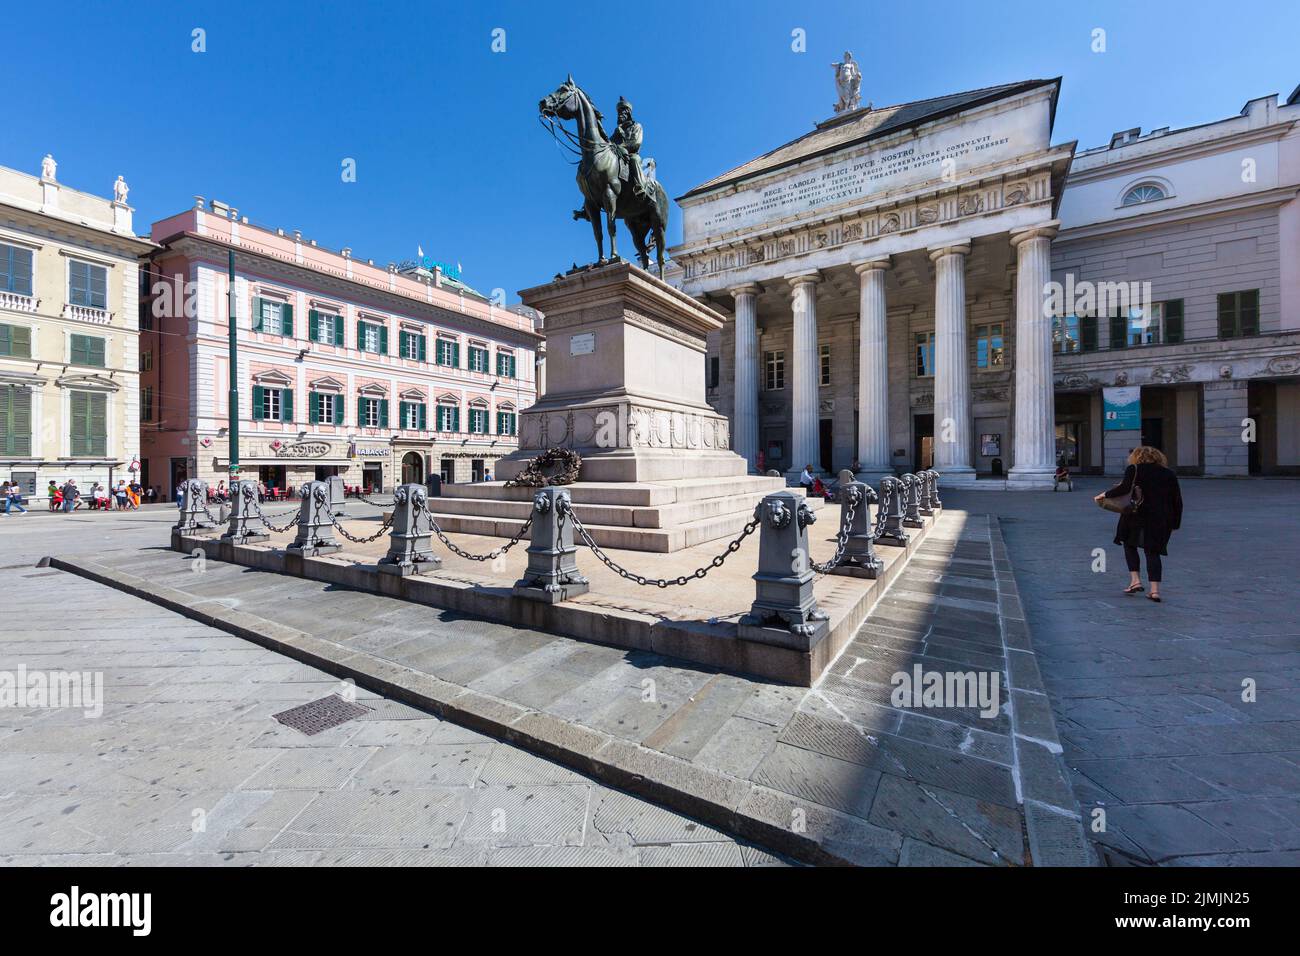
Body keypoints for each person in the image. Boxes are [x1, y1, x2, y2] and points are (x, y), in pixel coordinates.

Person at [1096, 446, 1183, 603]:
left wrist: (1104, 494)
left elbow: (1124, 488)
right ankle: (1155, 591)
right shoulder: (1168, 473)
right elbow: (1177, 500)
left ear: (1136, 457)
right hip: (1160, 518)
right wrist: (1175, 523)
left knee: (1129, 545)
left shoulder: (1134, 469)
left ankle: (1135, 580)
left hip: (1136, 514)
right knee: (1153, 552)